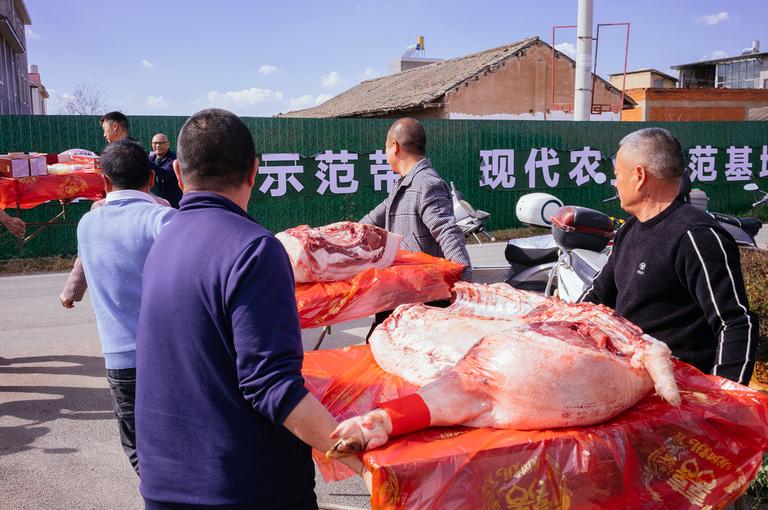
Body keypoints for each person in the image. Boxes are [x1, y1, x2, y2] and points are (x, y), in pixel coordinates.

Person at [135, 109, 369, 509]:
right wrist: (363, 461)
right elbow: (270, 385)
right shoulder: (253, 249)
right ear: (254, 170)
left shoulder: (164, 241)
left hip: (164, 482)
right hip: (243, 488)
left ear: (176, 170)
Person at [579, 127, 756, 384]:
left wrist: (724, 398)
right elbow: (596, 297)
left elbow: (735, 321)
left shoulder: (696, 235)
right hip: (631, 379)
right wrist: (557, 324)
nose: (615, 183)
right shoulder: (630, 229)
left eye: (617, 175)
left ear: (639, 176)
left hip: (681, 389)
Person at [76, 139, 177, 474]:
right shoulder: (165, 220)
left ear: (104, 182)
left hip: (119, 360)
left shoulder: (87, 224)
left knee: (138, 448)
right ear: (151, 178)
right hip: (170, 357)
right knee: (180, 439)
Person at [360, 117, 471, 279]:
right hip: (407, 287)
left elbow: (447, 231)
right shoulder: (403, 185)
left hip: (429, 292)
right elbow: (370, 221)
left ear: (394, 146)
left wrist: (464, 277)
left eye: (385, 148)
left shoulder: (427, 184)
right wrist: (337, 238)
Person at [148, 133, 182, 208]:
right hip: (155, 201)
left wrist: (148, 163)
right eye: (155, 143)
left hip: (172, 202)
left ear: (168, 144)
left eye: (161, 143)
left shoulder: (173, 159)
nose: (157, 146)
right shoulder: (151, 158)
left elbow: (165, 174)